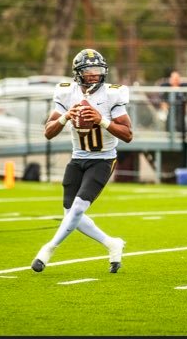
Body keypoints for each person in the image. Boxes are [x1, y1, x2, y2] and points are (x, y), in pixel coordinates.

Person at [31, 49, 133, 274]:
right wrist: (66, 117)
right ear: (78, 73)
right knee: (70, 212)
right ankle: (111, 243)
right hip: (78, 158)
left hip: (104, 159)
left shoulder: (113, 94)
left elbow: (128, 134)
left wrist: (102, 120)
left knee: (77, 208)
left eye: (98, 70)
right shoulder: (67, 93)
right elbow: (48, 133)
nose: (95, 75)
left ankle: (48, 249)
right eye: (89, 71)